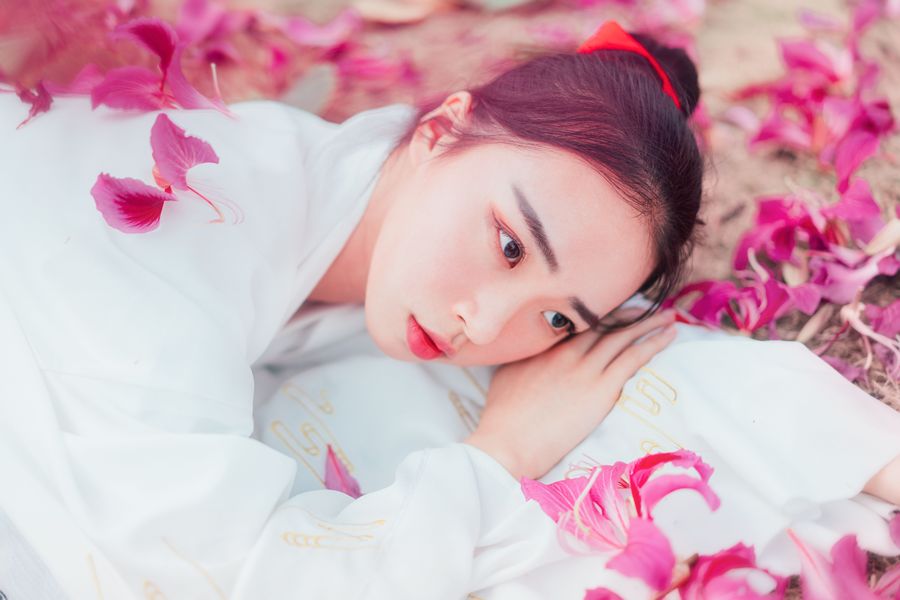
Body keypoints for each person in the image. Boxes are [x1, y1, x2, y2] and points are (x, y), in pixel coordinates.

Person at [0, 19, 896, 599]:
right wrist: (496, 457)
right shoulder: (167, 233)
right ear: (438, 129)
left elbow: (635, 365)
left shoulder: (350, 208)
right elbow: (245, 575)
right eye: (508, 245)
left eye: (556, 318)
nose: (487, 326)